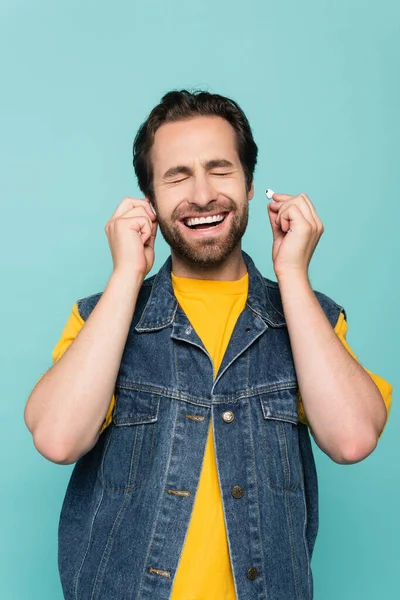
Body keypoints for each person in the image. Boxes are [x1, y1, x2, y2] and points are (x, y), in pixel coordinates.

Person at [24, 89, 392, 600]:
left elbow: (352, 439)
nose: (201, 195)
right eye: (177, 176)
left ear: (249, 186)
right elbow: (57, 440)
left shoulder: (312, 317)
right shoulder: (99, 316)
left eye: (220, 170)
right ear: (149, 203)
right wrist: (127, 273)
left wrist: (292, 275)